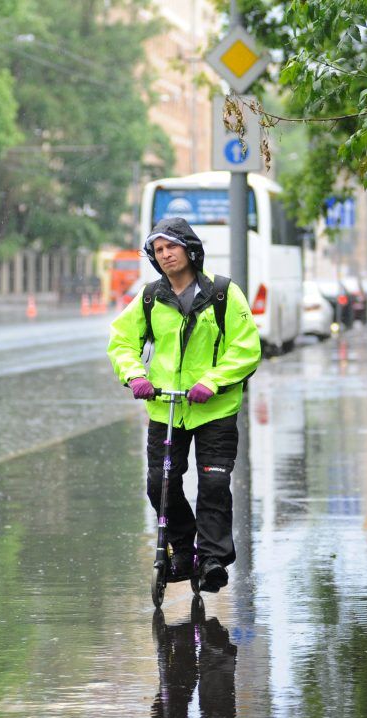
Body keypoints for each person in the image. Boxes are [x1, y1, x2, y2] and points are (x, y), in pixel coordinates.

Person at [107, 217, 261, 593]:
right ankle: (183, 549)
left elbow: (246, 348)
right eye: (158, 250)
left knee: (212, 483)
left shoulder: (224, 294)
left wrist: (212, 382)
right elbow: (121, 341)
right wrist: (135, 376)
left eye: (171, 247)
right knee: (159, 483)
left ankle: (211, 559)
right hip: (166, 411)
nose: (165, 255)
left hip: (215, 410)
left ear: (190, 250)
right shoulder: (149, 298)